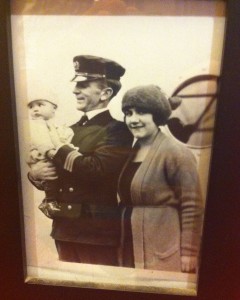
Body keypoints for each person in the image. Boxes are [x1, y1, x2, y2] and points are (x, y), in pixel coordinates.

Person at [28, 55, 133, 266]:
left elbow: (95, 169)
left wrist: (53, 151)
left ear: (105, 93)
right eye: (76, 85)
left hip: (96, 234)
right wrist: (35, 174)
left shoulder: (118, 130)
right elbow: (53, 168)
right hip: (65, 230)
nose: (75, 90)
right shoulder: (69, 130)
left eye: (83, 85)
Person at [118, 85, 203, 272]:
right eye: (128, 113)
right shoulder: (131, 150)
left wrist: (189, 253)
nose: (133, 119)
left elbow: (192, 205)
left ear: (156, 115)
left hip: (163, 249)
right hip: (130, 245)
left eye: (141, 112)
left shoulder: (176, 152)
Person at [27, 97, 74, 218]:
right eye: (31, 107)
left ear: (53, 108)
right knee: (50, 175)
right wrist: (34, 173)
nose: (35, 109)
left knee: (53, 175)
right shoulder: (36, 125)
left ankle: (50, 201)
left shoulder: (58, 125)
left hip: (54, 156)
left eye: (40, 105)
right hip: (44, 155)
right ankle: (50, 201)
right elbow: (41, 141)